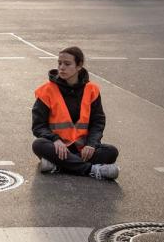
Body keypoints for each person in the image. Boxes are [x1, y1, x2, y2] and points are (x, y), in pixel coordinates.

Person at [31, 46, 119, 180]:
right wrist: (55, 140)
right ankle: (92, 170)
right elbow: (38, 126)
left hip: (82, 149)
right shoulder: (46, 90)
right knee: (38, 145)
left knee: (111, 152)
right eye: (59, 63)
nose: (61, 67)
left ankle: (59, 166)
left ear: (79, 66)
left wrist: (91, 144)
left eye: (67, 64)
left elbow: (98, 122)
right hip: (58, 148)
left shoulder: (92, 90)